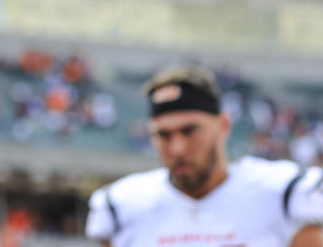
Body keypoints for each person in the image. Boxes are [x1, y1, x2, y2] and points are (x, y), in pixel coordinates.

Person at [86, 65, 323, 246]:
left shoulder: (282, 194)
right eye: (164, 135)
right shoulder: (124, 206)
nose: (178, 148)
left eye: (190, 131)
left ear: (223, 125)